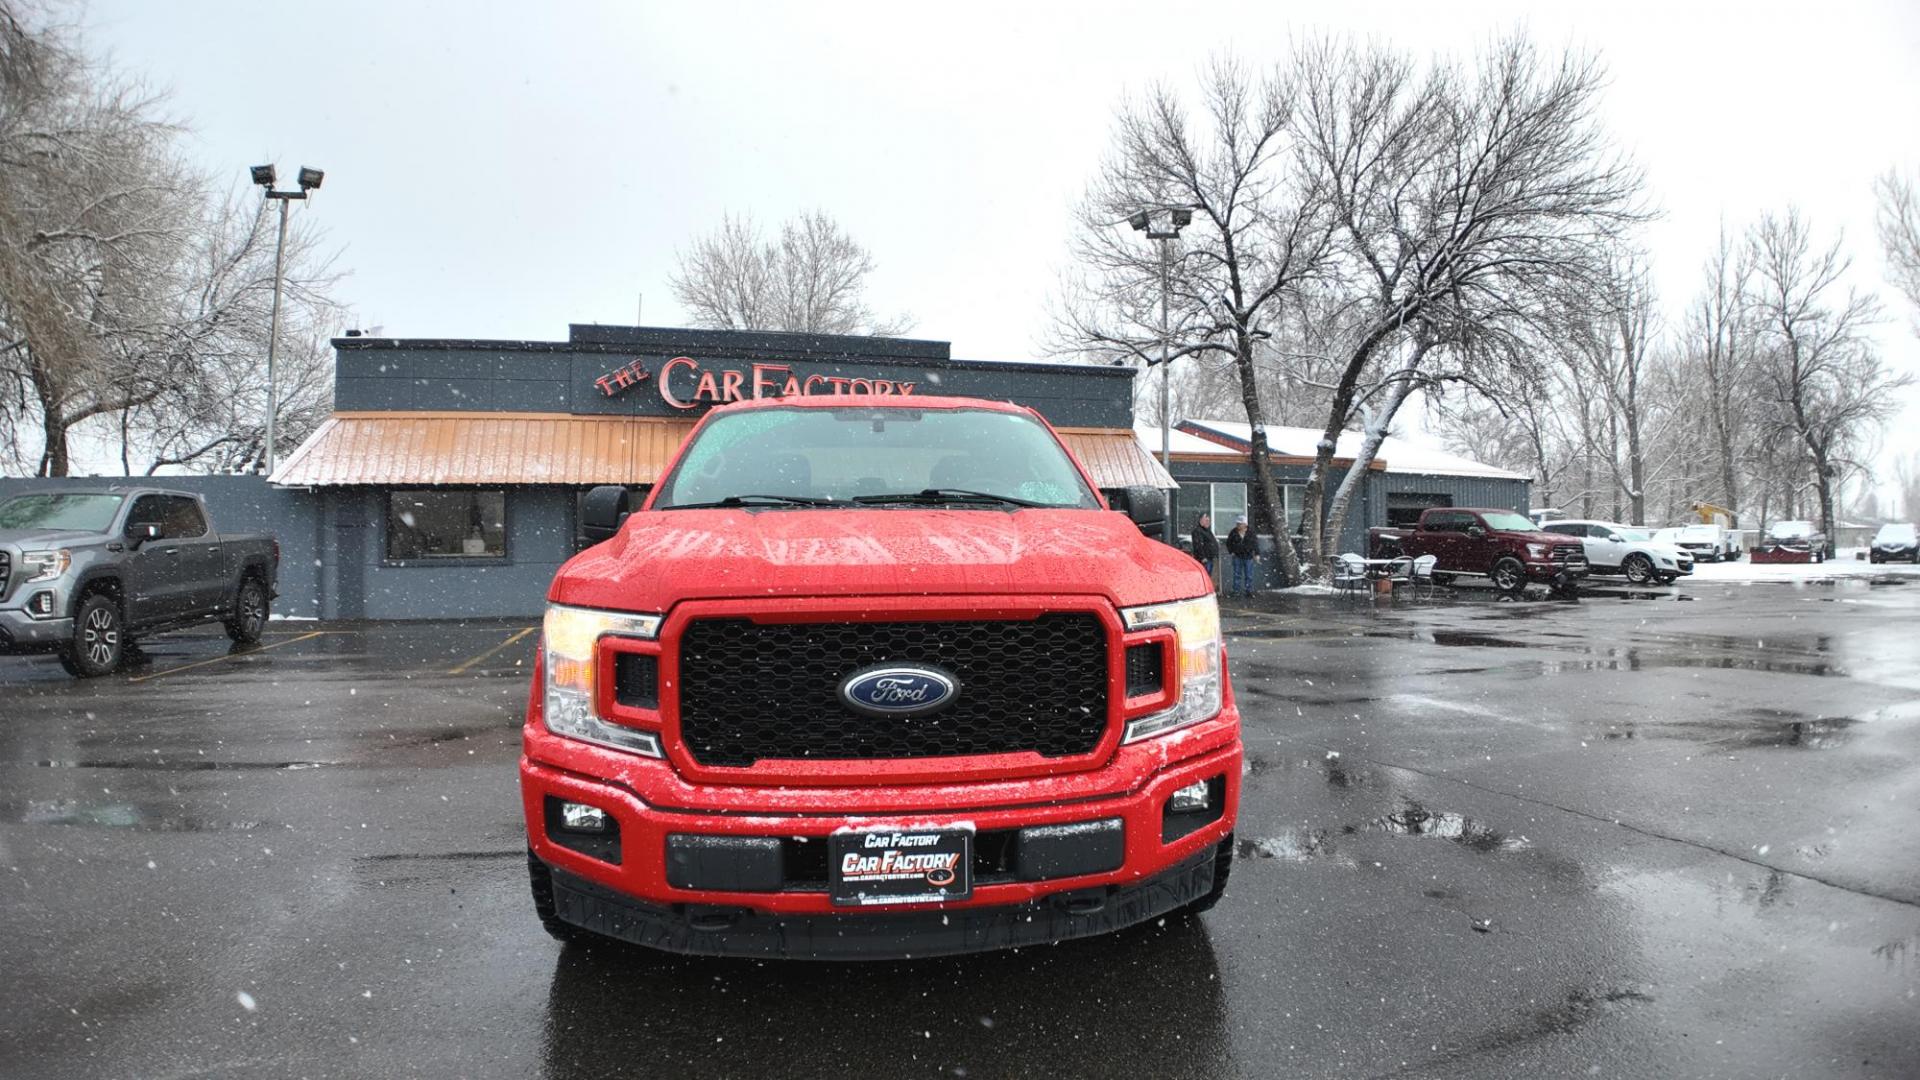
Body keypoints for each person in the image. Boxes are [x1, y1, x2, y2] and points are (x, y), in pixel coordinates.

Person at [1225, 516, 1259, 599]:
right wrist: (1231, 551)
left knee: (1249, 575)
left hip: (1248, 557)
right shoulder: (1233, 532)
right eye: (1237, 524)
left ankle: (1249, 591)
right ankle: (1236, 591)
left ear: (1245, 524)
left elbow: (1255, 544)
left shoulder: (1251, 532)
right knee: (1237, 575)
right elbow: (1228, 543)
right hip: (1237, 556)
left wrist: (1257, 554)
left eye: (1240, 524)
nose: (1238, 525)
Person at [1191, 513, 1219, 586]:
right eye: (1206, 520)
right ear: (1201, 520)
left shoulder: (1207, 531)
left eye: (1208, 521)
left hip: (1210, 558)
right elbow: (1198, 545)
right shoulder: (1197, 531)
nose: (1208, 522)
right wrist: (1202, 557)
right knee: (1204, 577)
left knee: (1208, 576)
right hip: (1204, 559)